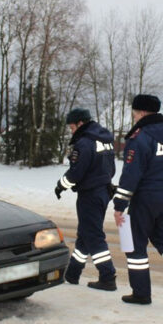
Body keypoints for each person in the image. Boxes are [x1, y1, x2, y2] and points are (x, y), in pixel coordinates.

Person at [113, 94, 163, 305]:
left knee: (135, 245)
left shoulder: (141, 137)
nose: (133, 118)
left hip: (145, 199)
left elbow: (131, 175)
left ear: (140, 112)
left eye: (134, 113)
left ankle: (141, 293)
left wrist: (119, 205)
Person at [55, 108, 118, 291]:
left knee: (93, 235)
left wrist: (61, 185)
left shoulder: (84, 143)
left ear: (81, 123)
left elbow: (76, 172)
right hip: (104, 191)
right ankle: (73, 273)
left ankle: (107, 276)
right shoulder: (104, 140)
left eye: (72, 127)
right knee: (85, 234)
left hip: (90, 194)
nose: (71, 131)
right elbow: (111, 169)